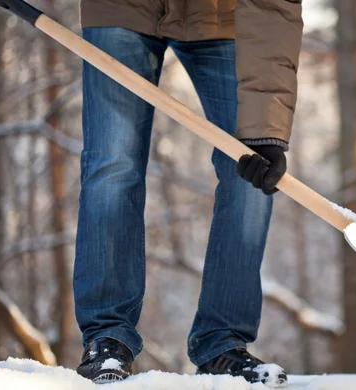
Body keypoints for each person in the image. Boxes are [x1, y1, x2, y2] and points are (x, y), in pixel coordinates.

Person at [72, 0, 303, 387]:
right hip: (121, 8)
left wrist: (266, 130)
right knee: (113, 164)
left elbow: (272, 8)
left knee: (251, 173)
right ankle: (107, 337)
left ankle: (223, 343)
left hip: (221, 15)